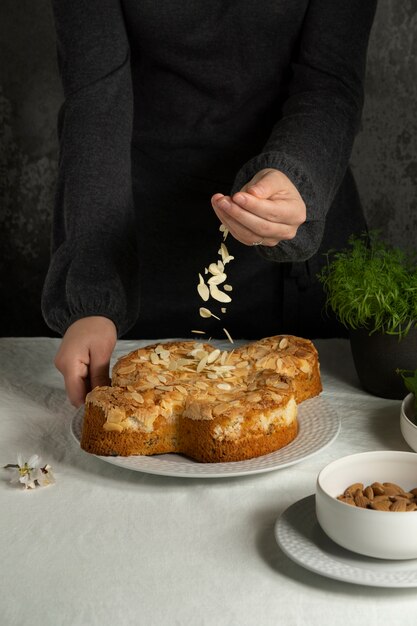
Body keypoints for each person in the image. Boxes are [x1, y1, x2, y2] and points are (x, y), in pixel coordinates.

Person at [41, 0, 377, 407]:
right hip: (140, 240)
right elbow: (96, 100)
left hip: (299, 223)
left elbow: (331, 82)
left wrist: (295, 175)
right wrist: (93, 297)